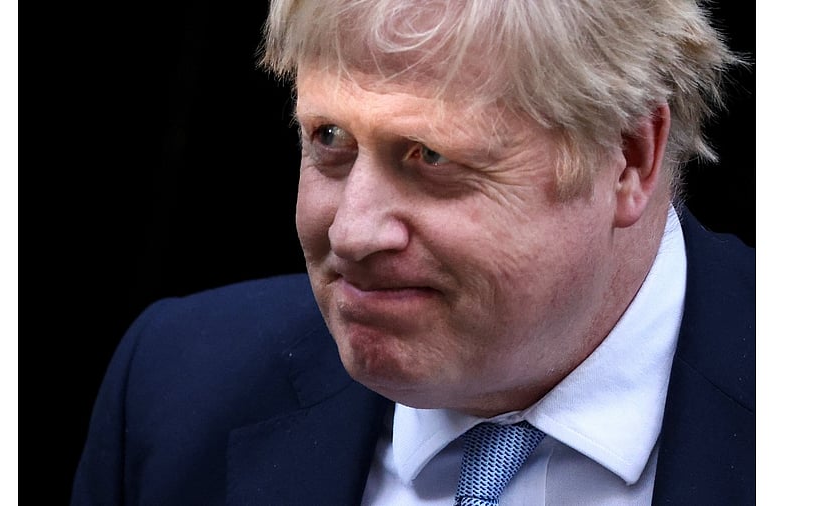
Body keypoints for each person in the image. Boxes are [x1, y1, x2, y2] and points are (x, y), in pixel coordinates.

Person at [71, 0, 754, 504]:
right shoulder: (178, 389)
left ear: (628, 158)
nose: (352, 232)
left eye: (429, 156)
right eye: (330, 139)